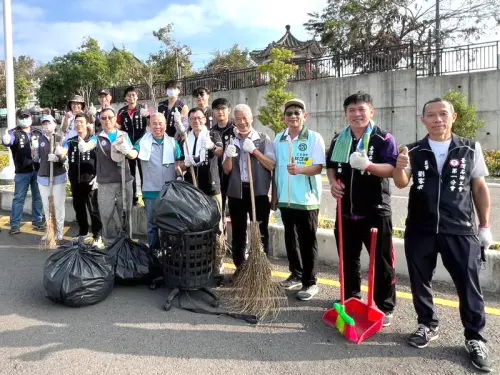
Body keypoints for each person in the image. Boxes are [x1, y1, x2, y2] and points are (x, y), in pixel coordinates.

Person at [393, 98, 492, 372]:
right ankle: (427, 324)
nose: (438, 119)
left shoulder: (470, 148)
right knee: (419, 281)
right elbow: (401, 182)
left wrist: (484, 227)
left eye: (443, 114)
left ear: (453, 117)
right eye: (431, 116)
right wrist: (401, 165)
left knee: (468, 284)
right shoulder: (413, 150)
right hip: (420, 228)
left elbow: (480, 189)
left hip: (460, 229)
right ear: (422, 120)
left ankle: (475, 337)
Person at [326, 92, 397, 327]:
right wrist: (333, 183)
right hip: (345, 210)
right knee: (348, 257)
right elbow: (331, 166)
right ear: (346, 114)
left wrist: (369, 166)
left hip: (375, 210)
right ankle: (350, 296)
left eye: (361, 109)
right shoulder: (340, 139)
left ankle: (384, 305)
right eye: (351, 110)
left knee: (381, 261)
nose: (357, 114)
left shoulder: (383, 138)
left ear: (371, 111)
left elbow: (392, 169)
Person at [274, 99, 326, 301]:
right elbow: (276, 167)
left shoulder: (313, 138)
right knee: (290, 238)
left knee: (307, 241)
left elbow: (319, 167)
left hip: (307, 200)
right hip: (286, 200)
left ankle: (310, 281)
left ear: (305, 116)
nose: (293, 116)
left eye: (297, 113)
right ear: (284, 118)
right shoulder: (279, 138)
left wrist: (301, 170)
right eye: (289, 114)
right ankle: (296, 273)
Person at [223, 104, 275, 270]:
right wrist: (229, 156)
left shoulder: (263, 139)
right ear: (235, 121)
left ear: (252, 118)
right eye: (238, 119)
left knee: (260, 232)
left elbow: (271, 165)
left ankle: (260, 268)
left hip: (258, 192)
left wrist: (254, 151)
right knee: (238, 232)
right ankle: (240, 267)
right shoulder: (232, 141)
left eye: (245, 118)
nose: (242, 122)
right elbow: (226, 170)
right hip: (237, 193)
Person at [78, 107, 134, 246]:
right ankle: (109, 243)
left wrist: (127, 151)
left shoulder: (124, 135)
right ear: (100, 121)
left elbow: (133, 154)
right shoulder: (98, 137)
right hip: (105, 183)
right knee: (106, 213)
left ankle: (126, 242)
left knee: (125, 213)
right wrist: (84, 146)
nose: (107, 120)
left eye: (110, 117)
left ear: (115, 119)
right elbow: (90, 144)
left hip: (123, 180)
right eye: (103, 118)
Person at [127, 113, 183, 250]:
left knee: (169, 224)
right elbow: (134, 153)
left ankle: (169, 252)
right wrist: (127, 151)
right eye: (154, 123)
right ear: (149, 125)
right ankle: (153, 253)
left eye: (160, 123)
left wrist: (181, 171)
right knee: (152, 225)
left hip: (169, 192)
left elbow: (180, 163)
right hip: (150, 191)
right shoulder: (142, 142)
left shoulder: (173, 143)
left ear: (165, 125)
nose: (157, 126)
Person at [2, 109, 44, 234]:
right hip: (22, 172)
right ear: (17, 119)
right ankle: (15, 224)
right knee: (19, 198)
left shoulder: (37, 132)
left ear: (31, 118)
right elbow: (9, 141)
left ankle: (37, 221)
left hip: (37, 170)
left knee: (38, 197)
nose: (24, 119)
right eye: (22, 117)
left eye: (27, 117)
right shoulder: (14, 133)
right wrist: (6, 140)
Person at [65, 113, 103, 248]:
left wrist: (98, 176)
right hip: (75, 180)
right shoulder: (71, 141)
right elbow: (63, 151)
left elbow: (101, 160)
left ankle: (97, 235)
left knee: (93, 208)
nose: (78, 124)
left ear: (87, 124)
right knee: (78, 207)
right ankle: (83, 232)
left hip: (90, 179)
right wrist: (58, 154)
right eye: (76, 122)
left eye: (81, 121)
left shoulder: (94, 139)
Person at [34, 115, 68, 242]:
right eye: (44, 124)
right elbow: (36, 159)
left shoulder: (61, 138)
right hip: (43, 176)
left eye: (49, 123)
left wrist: (59, 157)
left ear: (54, 124)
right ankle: (50, 230)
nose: (46, 126)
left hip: (58, 176)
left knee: (59, 205)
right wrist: (34, 154)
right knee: (47, 206)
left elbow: (66, 157)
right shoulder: (39, 139)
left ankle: (59, 231)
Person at [182, 107, 223, 210]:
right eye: (193, 118)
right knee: (195, 219)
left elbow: (220, 152)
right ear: (189, 121)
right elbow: (180, 164)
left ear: (205, 119)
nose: (196, 121)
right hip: (192, 186)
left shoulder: (213, 134)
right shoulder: (186, 139)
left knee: (215, 218)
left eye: (199, 118)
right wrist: (185, 164)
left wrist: (212, 146)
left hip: (211, 184)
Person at [116, 86, 149, 206]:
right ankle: (133, 198)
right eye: (129, 95)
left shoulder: (143, 109)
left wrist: (148, 116)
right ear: (125, 97)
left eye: (133, 95)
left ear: (137, 97)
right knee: (130, 173)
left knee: (143, 171)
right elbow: (118, 127)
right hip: (127, 146)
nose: (131, 97)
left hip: (141, 144)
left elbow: (151, 125)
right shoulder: (122, 111)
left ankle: (146, 197)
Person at [211, 98, 236, 218]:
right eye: (217, 109)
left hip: (234, 173)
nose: (220, 112)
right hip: (216, 173)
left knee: (234, 208)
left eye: (223, 108)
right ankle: (221, 233)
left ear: (229, 110)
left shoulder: (235, 129)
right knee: (218, 207)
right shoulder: (211, 132)